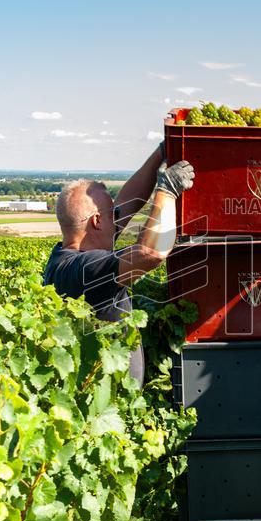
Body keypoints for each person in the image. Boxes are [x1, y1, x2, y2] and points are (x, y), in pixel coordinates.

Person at [43, 145, 195, 386]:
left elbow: (128, 202)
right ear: (97, 222)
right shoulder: (86, 268)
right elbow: (151, 252)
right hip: (105, 405)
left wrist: (162, 151)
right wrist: (167, 191)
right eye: (112, 213)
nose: (119, 216)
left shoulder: (68, 255)